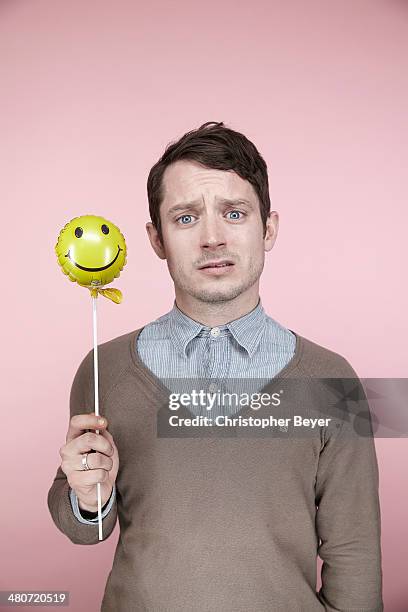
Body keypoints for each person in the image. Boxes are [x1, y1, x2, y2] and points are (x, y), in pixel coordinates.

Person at [48, 121, 383, 611]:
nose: (212, 238)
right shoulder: (104, 368)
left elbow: (354, 551)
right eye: (185, 218)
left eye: (234, 213)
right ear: (156, 239)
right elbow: (83, 527)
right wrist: (88, 498)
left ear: (267, 228)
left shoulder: (332, 379)